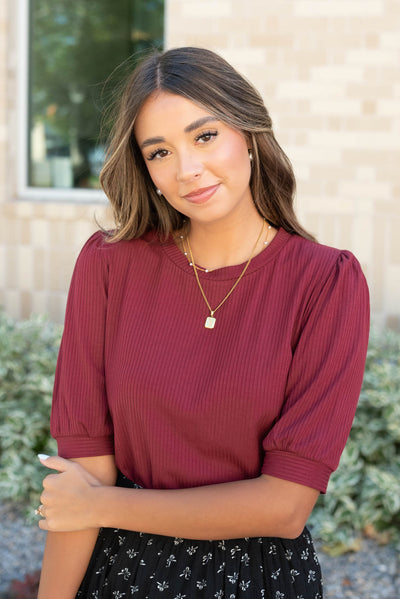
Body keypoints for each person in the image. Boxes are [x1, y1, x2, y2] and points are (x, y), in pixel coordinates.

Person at [36, 47, 369, 599]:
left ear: (249, 133)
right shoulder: (108, 265)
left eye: (205, 136)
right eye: (160, 151)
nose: (187, 170)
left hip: (259, 579)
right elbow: (83, 477)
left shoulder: (326, 282)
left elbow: (285, 506)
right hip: (122, 576)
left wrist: (101, 504)